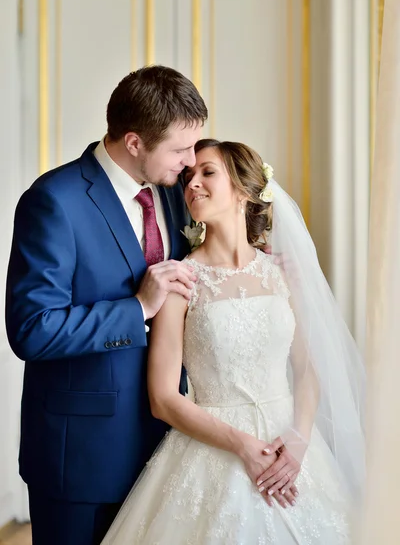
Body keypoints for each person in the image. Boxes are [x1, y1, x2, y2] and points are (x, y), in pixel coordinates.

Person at [101, 139, 366, 544]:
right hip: (213, 452)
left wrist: (298, 439)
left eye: (208, 172)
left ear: (244, 191)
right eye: (188, 176)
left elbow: (308, 369)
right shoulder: (180, 281)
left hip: (291, 449)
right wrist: (240, 445)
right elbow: (163, 398)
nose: (192, 184)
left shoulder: (281, 273)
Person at [5, 65, 208, 545]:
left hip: (169, 451)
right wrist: (137, 307)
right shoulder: (54, 201)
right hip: (82, 459)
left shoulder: (177, 192)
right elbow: (32, 329)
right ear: (134, 142)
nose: (191, 161)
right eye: (180, 149)